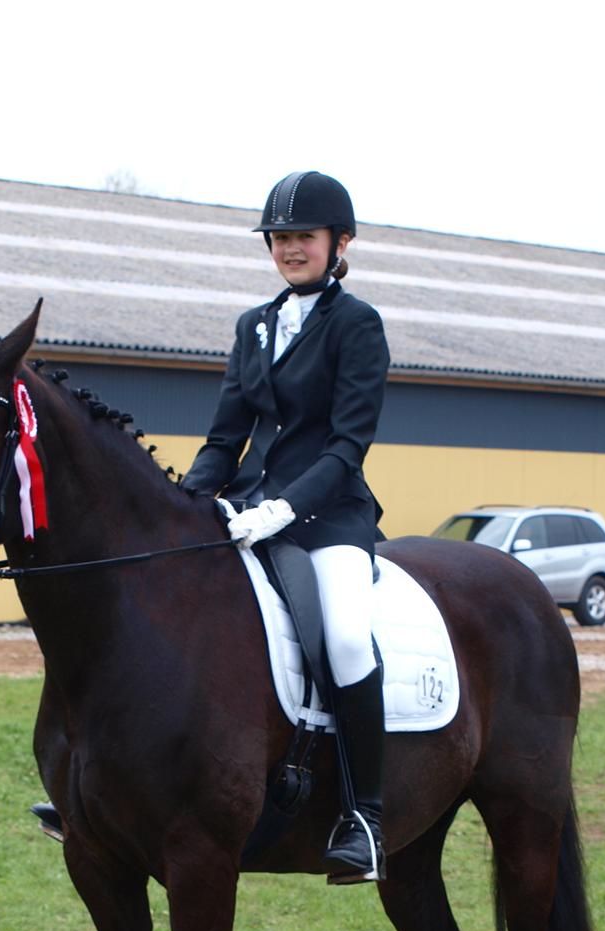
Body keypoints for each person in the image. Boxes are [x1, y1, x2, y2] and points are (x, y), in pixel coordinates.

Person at [181, 171, 391, 882]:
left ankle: (366, 815)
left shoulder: (357, 325)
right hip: (247, 511)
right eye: (280, 237)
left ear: (340, 244)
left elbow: (347, 445)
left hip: (328, 516)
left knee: (344, 637)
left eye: (303, 236)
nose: (289, 248)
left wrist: (285, 507)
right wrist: (187, 502)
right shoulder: (254, 326)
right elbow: (223, 438)